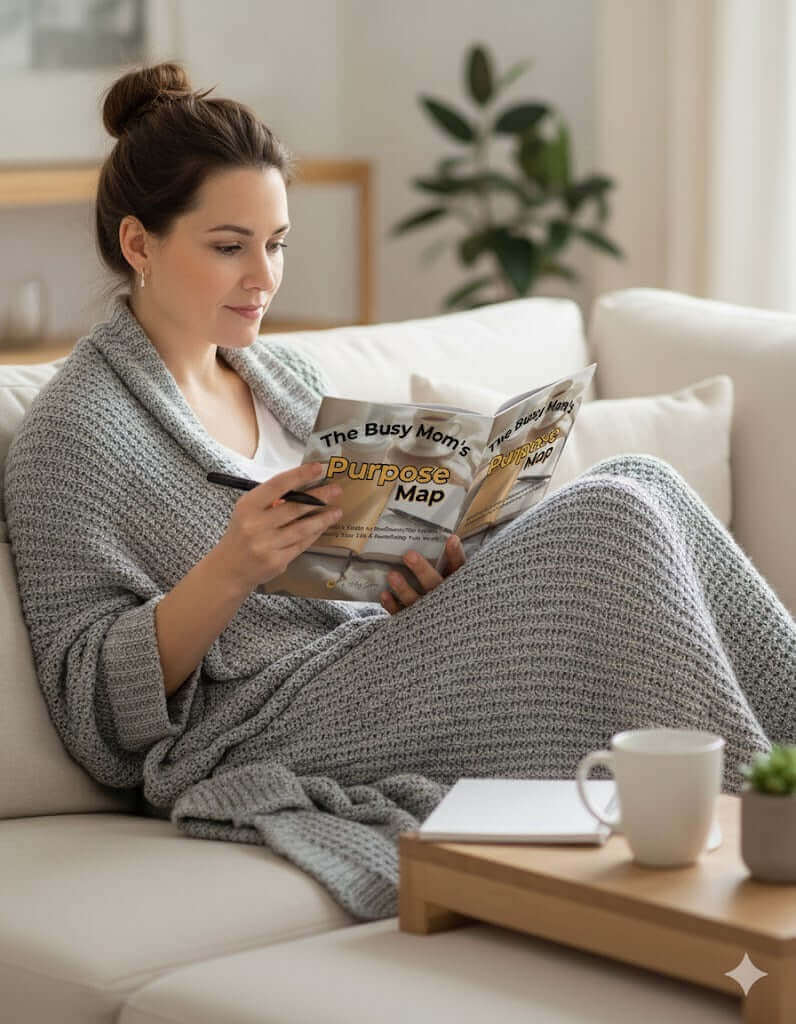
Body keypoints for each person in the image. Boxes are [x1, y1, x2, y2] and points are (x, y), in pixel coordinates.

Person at [5, 62, 795, 921]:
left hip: (372, 658)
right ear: (139, 244)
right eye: (229, 246)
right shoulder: (72, 433)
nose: (263, 278)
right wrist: (229, 569)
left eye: (276, 244)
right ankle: (773, 837)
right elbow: (89, 713)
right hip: (265, 722)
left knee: (641, 479)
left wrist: (415, 581)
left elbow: (350, 584)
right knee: (610, 520)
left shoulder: (286, 376)